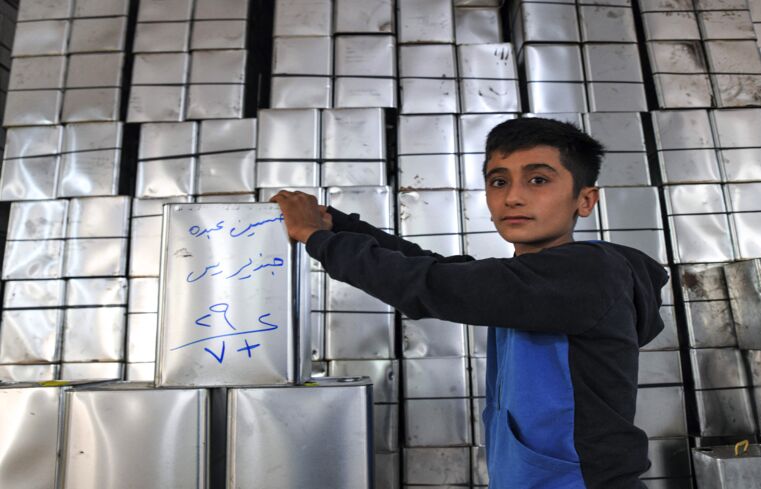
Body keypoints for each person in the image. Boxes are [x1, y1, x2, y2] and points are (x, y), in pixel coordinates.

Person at [270, 117, 669, 489]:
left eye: (538, 180)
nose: (513, 197)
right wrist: (336, 222)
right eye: (499, 182)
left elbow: (433, 285)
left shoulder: (588, 273)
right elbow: (437, 269)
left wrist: (318, 238)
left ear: (585, 201)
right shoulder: (530, 279)